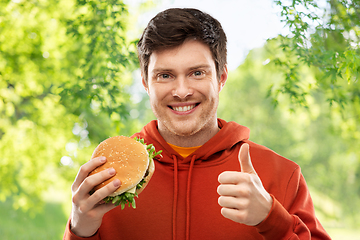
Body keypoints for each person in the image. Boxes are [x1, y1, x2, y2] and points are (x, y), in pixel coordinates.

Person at [63, 8, 331, 240]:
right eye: (165, 75)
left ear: (221, 77)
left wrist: (272, 220)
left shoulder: (281, 175)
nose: (181, 91)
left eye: (197, 73)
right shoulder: (108, 179)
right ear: (146, 83)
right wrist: (79, 229)